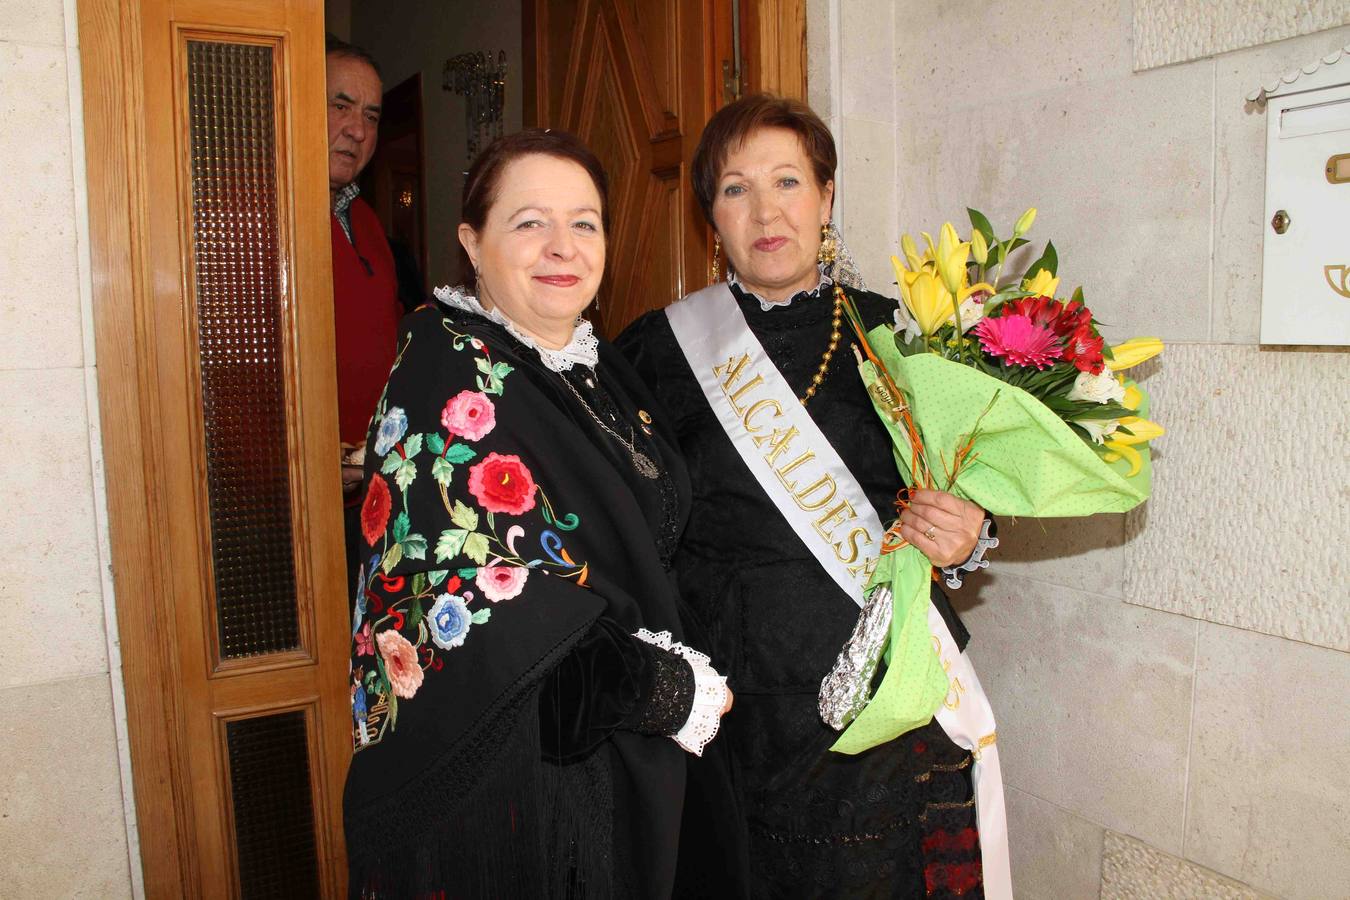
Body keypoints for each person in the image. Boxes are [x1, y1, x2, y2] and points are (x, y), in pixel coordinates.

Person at [618, 94, 1005, 899]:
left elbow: (968, 491)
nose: (765, 212)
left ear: (826, 197)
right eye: (734, 189)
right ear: (709, 219)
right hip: (723, 710)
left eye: (787, 181)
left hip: (873, 704)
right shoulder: (654, 351)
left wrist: (969, 535)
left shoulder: (899, 339)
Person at [342, 129, 732, 898]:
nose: (563, 246)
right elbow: (474, 608)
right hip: (537, 788)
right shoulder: (443, 374)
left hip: (635, 764)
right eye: (529, 222)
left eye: (584, 223)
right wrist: (660, 688)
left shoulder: (597, 363)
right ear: (472, 243)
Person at [325, 36, 403, 588]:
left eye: (371, 116)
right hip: (297, 506)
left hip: (371, 495)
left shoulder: (369, 222)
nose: (358, 129)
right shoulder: (262, 213)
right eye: (340, 105)